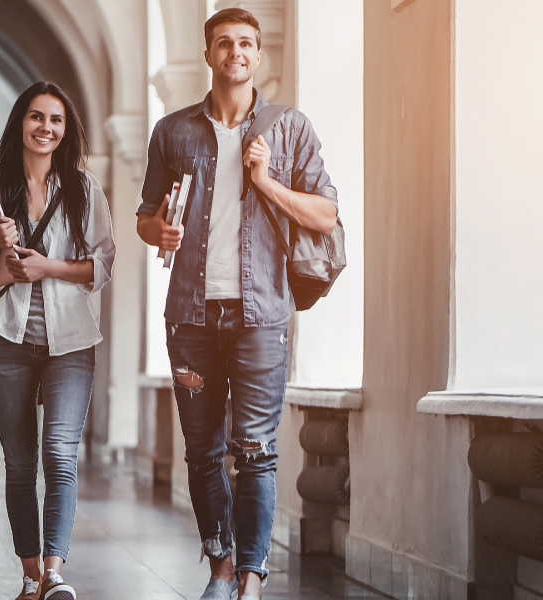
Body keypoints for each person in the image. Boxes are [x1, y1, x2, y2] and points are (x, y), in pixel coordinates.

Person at [136, 9, 338, 600]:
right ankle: (220, 569)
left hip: (262, 316)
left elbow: (326, 215)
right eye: (225, 42)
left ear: (259, 55)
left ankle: (251, 577)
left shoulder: (290, 128)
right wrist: (159, 232)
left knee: (255, 449)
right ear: (209, 54)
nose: (237, 52)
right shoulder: (172, 132)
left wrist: (269, 181)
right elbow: (145, 216)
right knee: (202, 450)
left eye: (247, 42)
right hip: (191, 316)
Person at [0, 81, 115, 600]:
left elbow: (103, 263)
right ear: (19, 124)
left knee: (60, 452)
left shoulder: (85, 189)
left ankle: (54, 573)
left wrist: (50, 267)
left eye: (56, 120)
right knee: (20, 461)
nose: (45, 128)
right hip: (8, 340)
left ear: (66, 131)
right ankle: (29, 576)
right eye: (36, 117)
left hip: (71, 341)